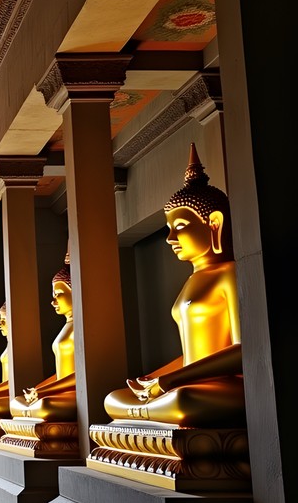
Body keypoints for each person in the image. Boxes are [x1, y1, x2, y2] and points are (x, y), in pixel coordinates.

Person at [104, 144, 244, 426]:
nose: (169, 238)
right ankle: (145, 413)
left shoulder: (231, 274)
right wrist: (154, 378)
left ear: (214, 225)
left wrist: (172, 380)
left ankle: (146, 416)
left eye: (179, 226)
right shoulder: (193, 280)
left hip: (225, 385)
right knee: (112, 399)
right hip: (188, 381)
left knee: (182, 402)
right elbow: (192, 354)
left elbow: (247, 349)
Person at [8, 258, 76, 422]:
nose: (53, 302)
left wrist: (44, 392)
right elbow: (60, 374)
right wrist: (39, 389)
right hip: (59, 391)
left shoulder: (82, 328)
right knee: (16, 403)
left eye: (59, 294)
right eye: (53, 296)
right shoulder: (67, 327)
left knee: (45, 405)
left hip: (73, 394)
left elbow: (81, 376)